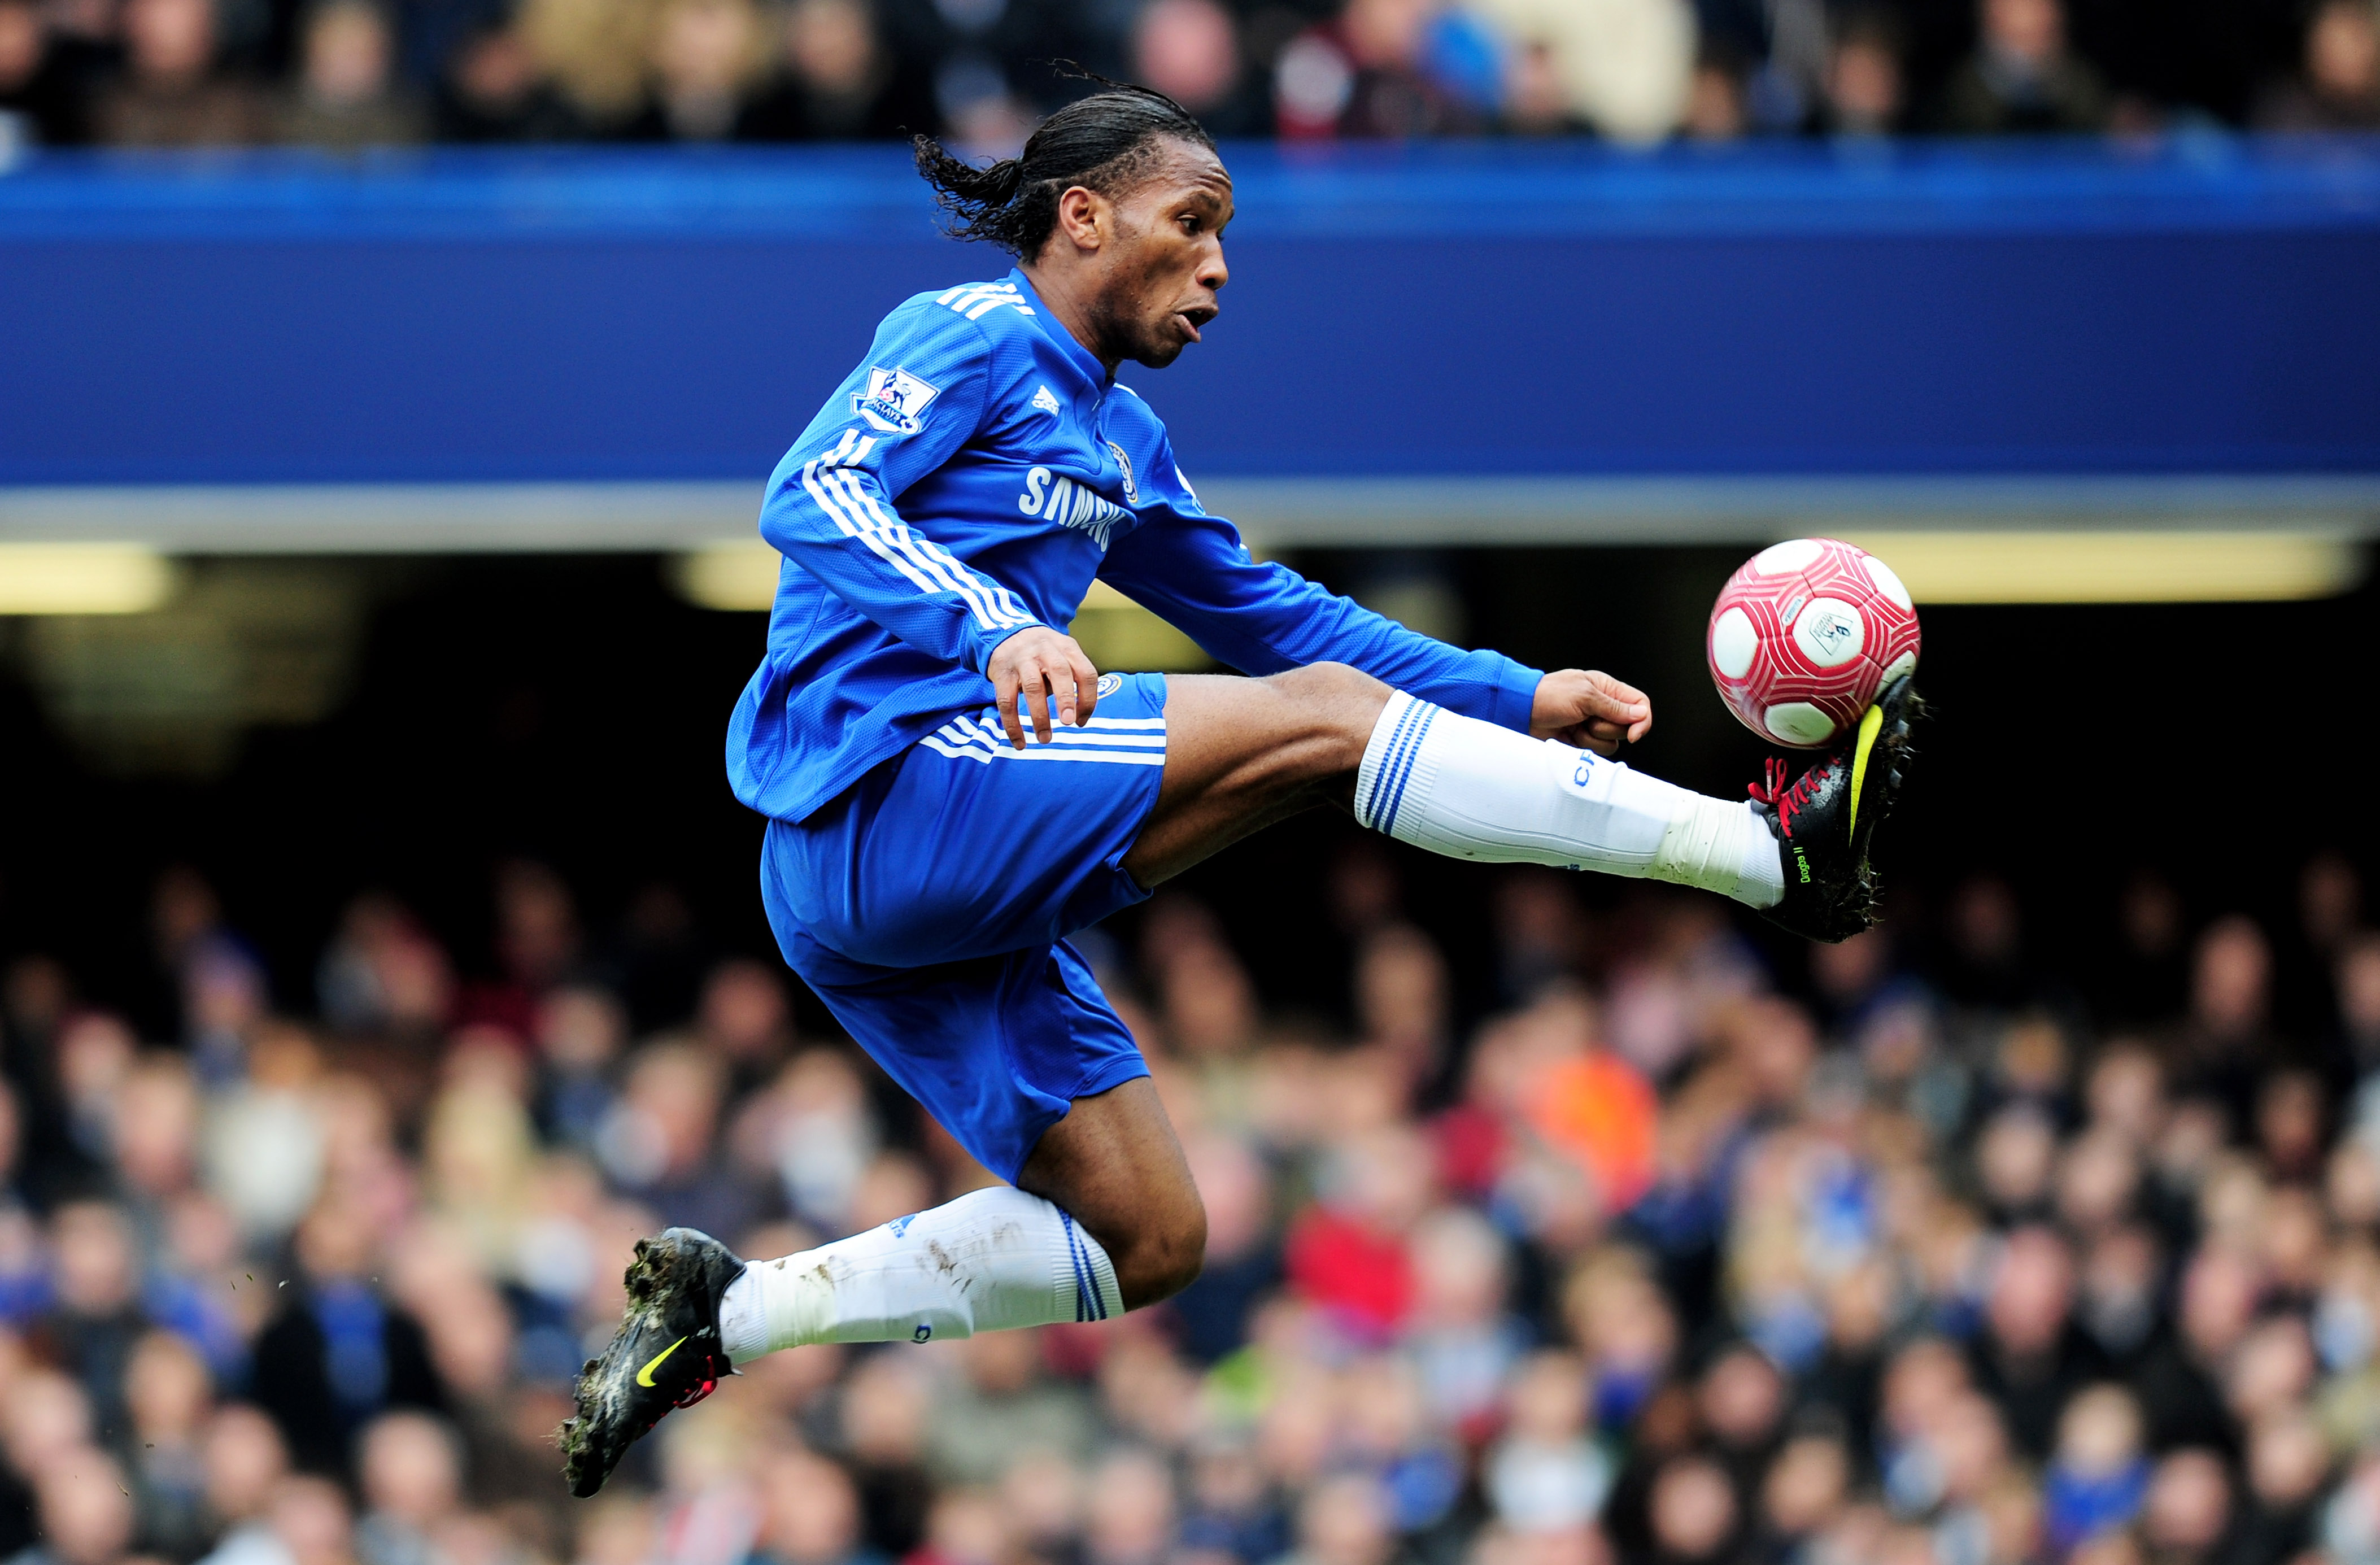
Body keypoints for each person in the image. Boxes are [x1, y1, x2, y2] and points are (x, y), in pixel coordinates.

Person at [556, 82, 1921, 1497]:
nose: (1218, 266)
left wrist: (1514, 691)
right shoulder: (968, 334)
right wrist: (995, 622)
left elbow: (1282, 622)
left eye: (1228, 236)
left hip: (916, 899)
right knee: (1324, 732)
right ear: (1082, 217)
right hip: (880, 791)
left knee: (1148, 1241)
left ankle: (728, 1315)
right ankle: (1764, 859)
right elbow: (813, 489)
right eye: (1191, 223)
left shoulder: (1120, 442)